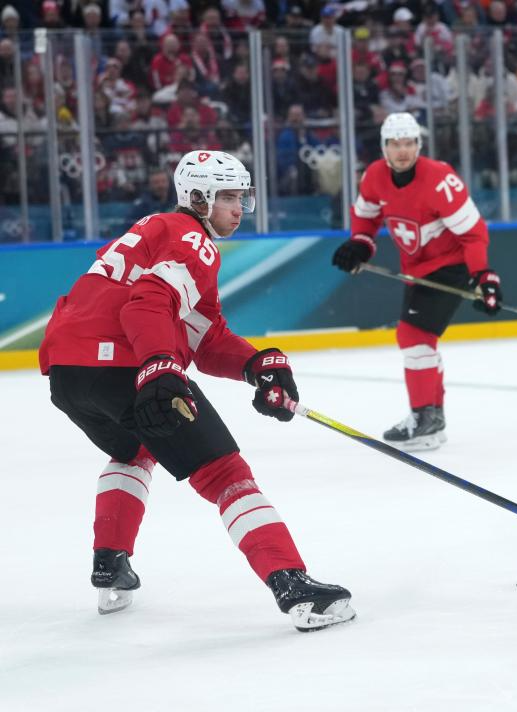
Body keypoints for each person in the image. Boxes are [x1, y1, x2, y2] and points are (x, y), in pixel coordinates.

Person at [38, 150, 354, 632]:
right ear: (199, 198)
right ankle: (292, 585)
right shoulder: (194, 241)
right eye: (227, 197)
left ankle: (110, 562)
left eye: (241, 197)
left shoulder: (159, 231)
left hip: (68, 372)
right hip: (122, 362)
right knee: (226, 473)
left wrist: (255, 365)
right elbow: (146, 306)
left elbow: (203, 336)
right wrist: (159, 366)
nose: (238, 208)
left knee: (135, 448)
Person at [331, 113, 502, 451]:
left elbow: (473, 234)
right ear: (384, 147)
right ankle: (431, 420)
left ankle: (425, 419)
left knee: (413, 336)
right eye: (395, 144)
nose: (402, 150)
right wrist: (360, 244)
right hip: (417, 269)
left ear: (419, 145)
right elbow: (366, 216)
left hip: (451, 264)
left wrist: (483, 275)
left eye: (409, 143)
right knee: (420, 340)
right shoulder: (374, 176)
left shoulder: (440, 180)